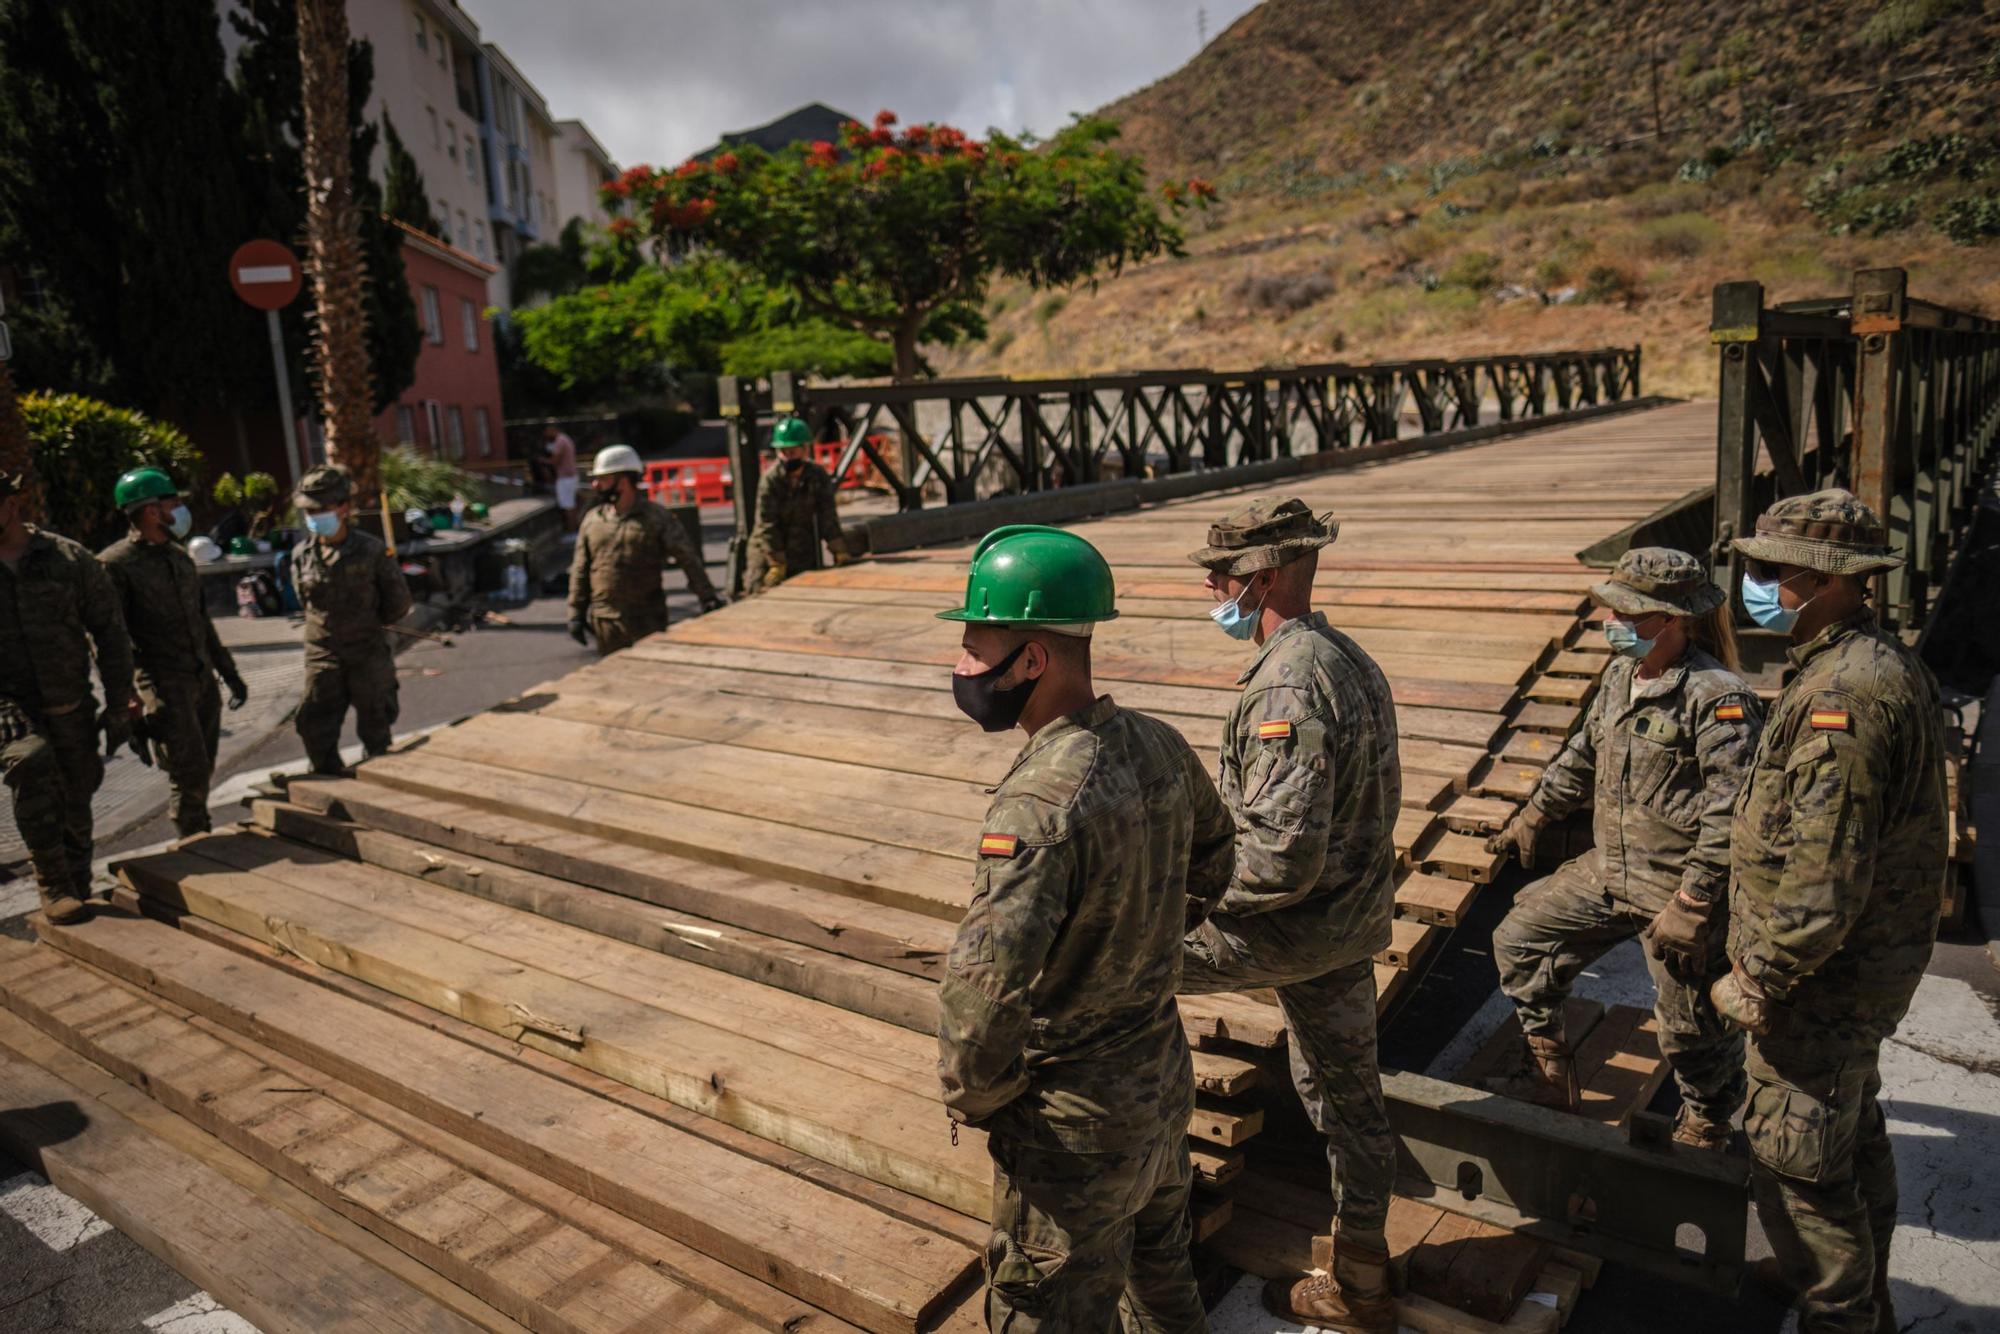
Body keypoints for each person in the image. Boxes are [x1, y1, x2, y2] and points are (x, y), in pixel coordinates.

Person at [935, 524, 1234, 1333]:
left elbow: (984, 993)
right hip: (1160, 1079)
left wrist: (979, 1096)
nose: (961, 669)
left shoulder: (1036, 804)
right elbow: (1215, 855)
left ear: (1031, 660)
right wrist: (1140, 946)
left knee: (1048, 1309)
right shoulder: (1160, 746)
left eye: (974, 648)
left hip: (1071, 1133)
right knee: (1163, 1274)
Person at [1714, 490, 1946, 1334]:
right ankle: (1864, 1296)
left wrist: (1763, 978)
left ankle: (1840, 1312)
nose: (1757, 584)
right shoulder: (1866, 661)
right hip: (1857, 974)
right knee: (1852, 1137)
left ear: (1825, 580)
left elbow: (1824, 876)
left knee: (1796, 1163)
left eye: (1773, 572)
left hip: (1821, 981)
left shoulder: (1840, 699)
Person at [1177, 497, 1402, 1331]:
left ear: (1262, 577)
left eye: (1222, 572)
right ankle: (1362, 1278)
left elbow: (1277, 859)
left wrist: (1176, 900)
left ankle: (1142, 1210)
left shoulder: (1287, 680)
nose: (1210, 583)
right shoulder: (1347, 657)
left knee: (1110, 972)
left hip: (1292, 928)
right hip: (1346, 924)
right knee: (1349, 1097)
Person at [1482, 547, 1761, 1148]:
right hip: (1608, 871)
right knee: (1519, 937)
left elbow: (1732, 813)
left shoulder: (1717, 698)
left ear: (1672, 620)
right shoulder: (1618, 678)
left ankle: (1708, 1122)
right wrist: (1536, 811)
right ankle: (1550, 1066)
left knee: (1690, 1030)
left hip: (1676, 889)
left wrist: (1694, 901)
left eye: (1628, 613)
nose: (1614, 623)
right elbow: (1583, 754)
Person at [0, 470, 135, 922]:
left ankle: (76, 876)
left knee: (79, 790)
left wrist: (121, 701)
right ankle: (52, 882)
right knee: (32, 764)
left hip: (71, 703)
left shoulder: (67, 558)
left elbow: (110, 633)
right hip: (10, 711)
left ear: (11, 505)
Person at [99, 467, 249, 838]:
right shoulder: (114, 565)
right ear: (151, 510)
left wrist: (229, 673)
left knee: (204, 764)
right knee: (187, 767)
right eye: (174, 503)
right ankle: (194, 839)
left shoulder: (180, 557)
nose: (180, 510)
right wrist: (125, 696)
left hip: (201, 679)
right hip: (164, 684)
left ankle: (197, 831)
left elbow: (202, 621)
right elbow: (106, 637)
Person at [290, 465, 413, 776]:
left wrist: (367, 625)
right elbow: (306, 602)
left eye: (322, 509)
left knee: (376, 727)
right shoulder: (301, 556)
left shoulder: (371, 551)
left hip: (367, 652)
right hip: (323, 654)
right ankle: (328, 782)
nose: (314, 516)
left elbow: (398, 602)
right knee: (316, 727)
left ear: (344, 507)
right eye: (309, 510)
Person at [566, 443, 721, 656]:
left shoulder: (656, 518)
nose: (595, 484)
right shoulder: (592, 521)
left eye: (603, 478)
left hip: (647, 620)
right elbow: (580, 569)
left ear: (624, 480)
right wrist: (576, 612)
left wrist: (707, 597)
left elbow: (687, 558)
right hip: (607, 622)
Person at [746, 416, 852, 593]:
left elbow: (827, 514)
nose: (787, 457)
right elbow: (766, 523)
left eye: (792, 451)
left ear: (805, 449)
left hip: (802, 546)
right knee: (757, 591)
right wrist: (776, 562)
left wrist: (838, 549)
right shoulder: (770, 480)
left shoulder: (817, 476)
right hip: (768, 550)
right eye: (783, 452)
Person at [543, 425, 578, 528]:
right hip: (570, 476)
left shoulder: (560, 441)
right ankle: (574, 528)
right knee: (571, 504)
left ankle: (572, 530)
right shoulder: (565, 438)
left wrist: (543, 461)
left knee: (568, 505)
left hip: (565, 478)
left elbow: (555, 460)